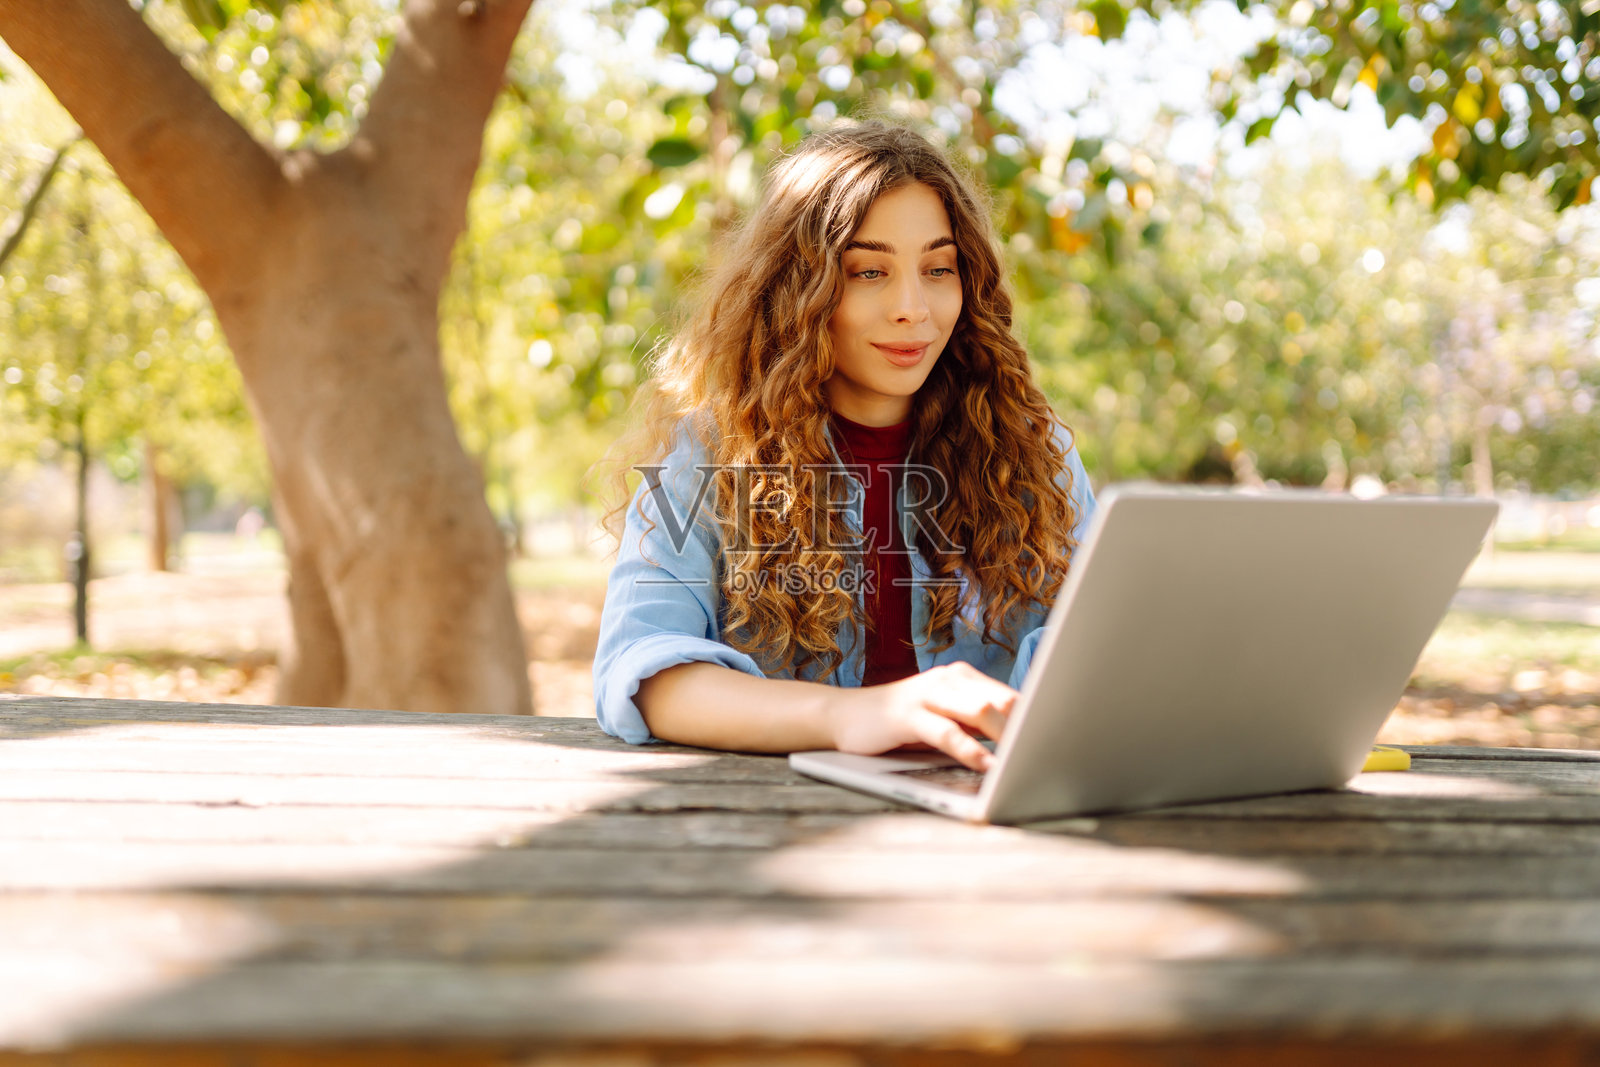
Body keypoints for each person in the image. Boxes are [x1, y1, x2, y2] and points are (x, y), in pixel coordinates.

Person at [592, 121, 1095, 772]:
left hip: (990, 803)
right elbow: (645, 668)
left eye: (938, 268)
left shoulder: (1035, 450)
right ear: (797, 290)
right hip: (768, 819)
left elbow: (1097, 646)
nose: (912, 307)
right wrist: (852, 717)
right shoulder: (710, 452)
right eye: (868, 271)